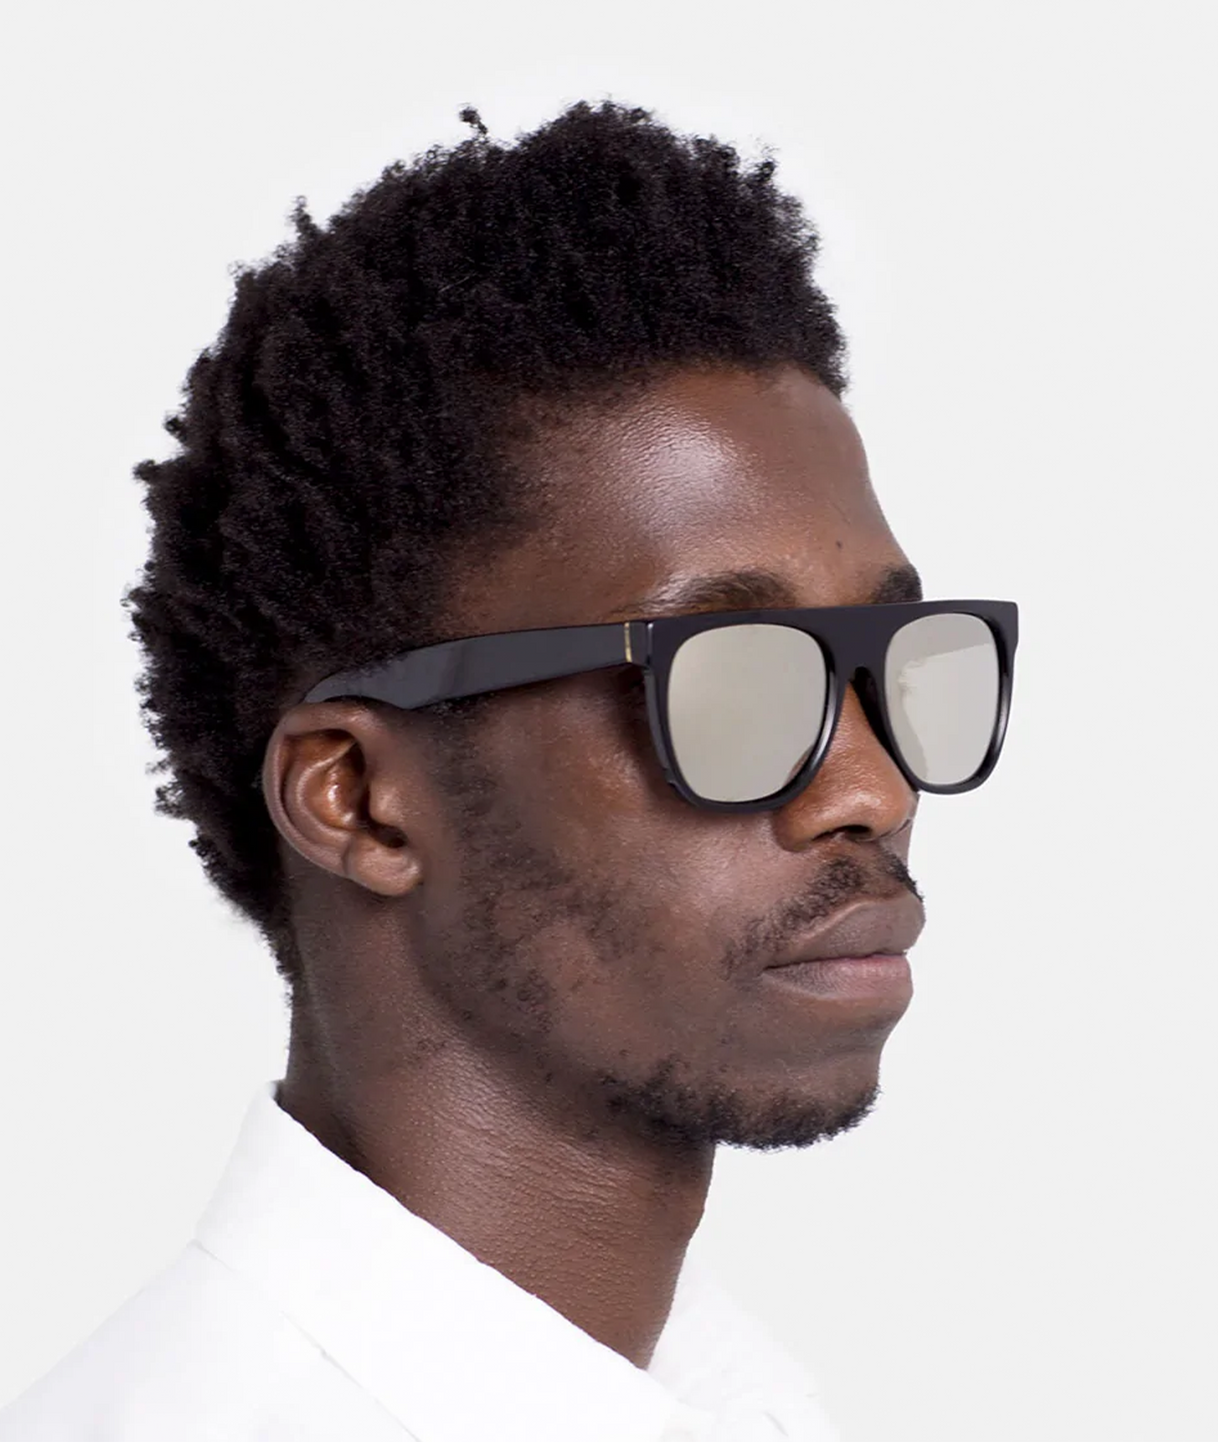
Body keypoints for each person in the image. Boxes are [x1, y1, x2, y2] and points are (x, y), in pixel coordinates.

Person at [0, 101, 1017, 1441]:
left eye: (885, 662)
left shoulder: (727, 1400)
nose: (871, 790)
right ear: (360, 801)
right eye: (726, 679)